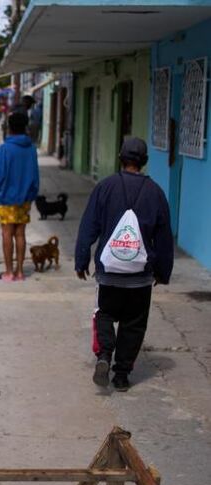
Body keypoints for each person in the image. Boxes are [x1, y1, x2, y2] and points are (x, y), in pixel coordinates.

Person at [75, 137, 174, 391]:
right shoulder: (156, 193)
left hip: (109, 273)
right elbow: (163, 237)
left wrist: (81, 258)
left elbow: (89, 226)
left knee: (105, 315)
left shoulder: (105, 187)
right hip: (140, 276)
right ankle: (121, 375)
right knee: (134, 322)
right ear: (145, 162)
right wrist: (163, 271)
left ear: (121, 158)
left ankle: (104, 356)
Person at [0, 111, 39, 281]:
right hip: (25, 198)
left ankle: (9, 272)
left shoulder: (4, 149)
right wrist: (31, 195)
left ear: (9, 128)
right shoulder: (31, 149)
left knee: (6, 233)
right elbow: (35, 176)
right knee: (20, 234)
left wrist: (1, 191)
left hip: (7, 198)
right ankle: (19, 272)